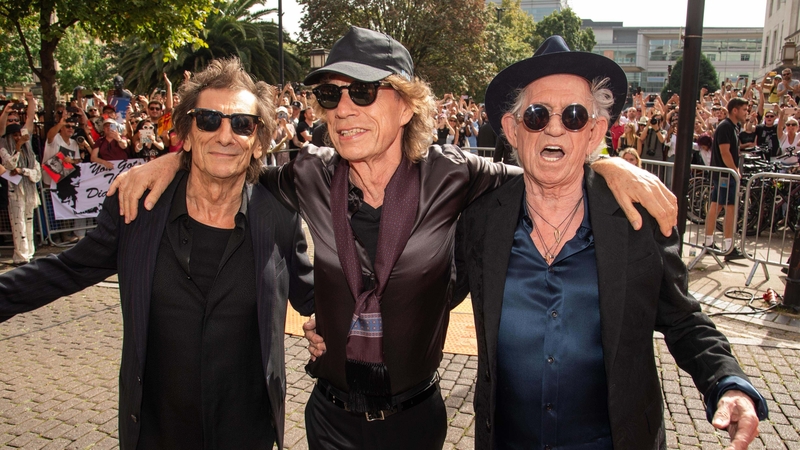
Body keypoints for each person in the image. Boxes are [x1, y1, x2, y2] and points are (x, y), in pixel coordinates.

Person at [110, 27, 677, 450]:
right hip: (329, 421)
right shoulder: (305, 174)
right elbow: (229, 158)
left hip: (416, 420)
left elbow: (547, 167)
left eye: (362, 93)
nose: (343, 110)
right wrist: (172, 162)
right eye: (330, 97)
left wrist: (608, 166)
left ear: (406, 104)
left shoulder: (455, 176)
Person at [454, 35, 767, 450]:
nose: (554, 127)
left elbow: (682, 318)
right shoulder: (479, 221)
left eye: (574, 115)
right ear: (512, 129)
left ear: (594, 131)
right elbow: (423, 295)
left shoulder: (639, 219)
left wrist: (726, 382)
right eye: (535, 114)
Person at [0, 58, 315, 450]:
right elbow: (66, 270)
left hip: (247, 433)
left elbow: (318, 300)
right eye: (208, 120)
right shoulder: (138, 210)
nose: (224, 135)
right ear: (185, 131)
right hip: (155, 432)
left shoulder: (279, 219)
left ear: (258, 142)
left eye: (241, 124)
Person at [704, 98, 749, 260]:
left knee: (717, 206)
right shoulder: (726, 127)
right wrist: (735, 171)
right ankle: (728, 248)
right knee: (729, 208)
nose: (746, 112)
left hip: (724, 174)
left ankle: (709, 243)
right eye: (744, 109)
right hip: (725, 175)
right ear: (735, 110)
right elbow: (725, 152)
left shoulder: (731, 127)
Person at [0, 123, 42, 265]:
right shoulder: (4, 149)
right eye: (15, 135)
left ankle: (29, 253)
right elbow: (10, 165)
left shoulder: (29, 152)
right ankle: (21, 255)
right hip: (15, 191)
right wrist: (17, 149)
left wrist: (22, 171)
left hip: (29, 190)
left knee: (29, 222)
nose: (18, 138)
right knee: (19, 224)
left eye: (19, 135)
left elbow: (37, 173)